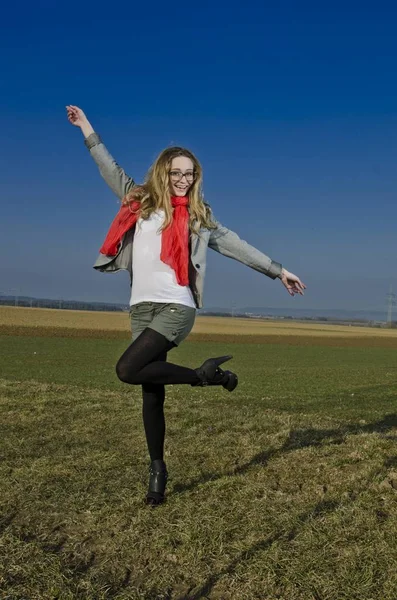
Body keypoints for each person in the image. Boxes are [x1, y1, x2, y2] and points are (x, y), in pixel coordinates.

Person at [66, 105, 306, 506]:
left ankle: (203, 376)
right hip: (140, 307)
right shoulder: (137, 201)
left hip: (177, 306)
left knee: (127, 369)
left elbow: (236, 246)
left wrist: (278, 270)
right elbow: (107, 165)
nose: (183, 179)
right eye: (176, 172)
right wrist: (86, 127)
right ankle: (157, 468)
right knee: (150, 387)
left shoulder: (198, 217)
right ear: (163, 172)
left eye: (189, 173)